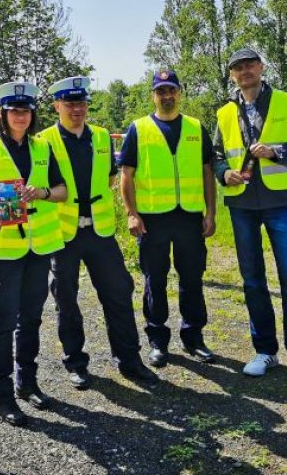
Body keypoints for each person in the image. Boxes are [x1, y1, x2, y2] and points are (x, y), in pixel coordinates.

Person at [38, 76, 160, 389]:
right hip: (64, 234)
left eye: (81, 103)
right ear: (57, 106)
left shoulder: (103, 137)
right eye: (69, 103)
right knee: (66, 300)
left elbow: (107, 179)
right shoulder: (43, 141)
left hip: (100, 232)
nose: (77, 109)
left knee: (118, 293)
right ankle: (76, 363)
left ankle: (130, 361)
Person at [212, 48, 287, 394]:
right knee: (252, 281)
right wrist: (224, 172)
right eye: (238, 69)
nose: (244, 72)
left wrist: (276, 151)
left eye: (249, 66)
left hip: (280, 202)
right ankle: (265, 351)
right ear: (232, 76)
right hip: (242, 204)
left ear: (260, 68)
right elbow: (216, 156)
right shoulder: (226, 112)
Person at [0, 81, 67, 426]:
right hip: (4, 252)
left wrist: (40, 192)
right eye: (14, 111)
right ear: (3, 114)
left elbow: (62, 191)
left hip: (38, 248)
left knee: (32, 319)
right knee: (2, 324)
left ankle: (28, 382)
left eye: (25, 111)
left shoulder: (43, 148)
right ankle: (2, 393)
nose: (20, 116)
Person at [118, 69, 217, 368]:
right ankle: (158, 340)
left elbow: (207, 173)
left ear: (179, 92)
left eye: (171, 89)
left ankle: (193, 337)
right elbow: (127, 176)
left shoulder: (196, 128)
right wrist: (132, 214)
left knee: (191, 279)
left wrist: (211, 212)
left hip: (189, 217)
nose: (167, 95)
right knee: (155, 280)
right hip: (152, 220)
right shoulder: (139, 129)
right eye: (161, 91)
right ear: (153, 95)